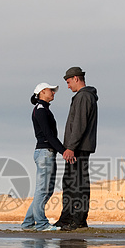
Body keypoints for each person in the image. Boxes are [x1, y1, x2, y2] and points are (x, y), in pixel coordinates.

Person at [54, 66, 98, 230]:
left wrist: (71, 147)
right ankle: (66, 218)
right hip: (76, 148)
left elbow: (79, 124)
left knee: (78, 184)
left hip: (78, 149)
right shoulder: (83, 97)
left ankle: (78, 220)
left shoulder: (84, 97)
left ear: (76, 79)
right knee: (69, 183)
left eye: (68, 82)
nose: (67, 86)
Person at [21, 82, 65, 231]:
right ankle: (41, 224)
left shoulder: (44, 109)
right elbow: (48, 134)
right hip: (44, 153)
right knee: (42, 190)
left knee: (47, 190)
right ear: (41, 92)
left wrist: (59, 150)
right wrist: (64, 151)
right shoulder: (40, 110)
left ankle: (28, 223)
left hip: (48, 153)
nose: (53, 92)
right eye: (50, 90)